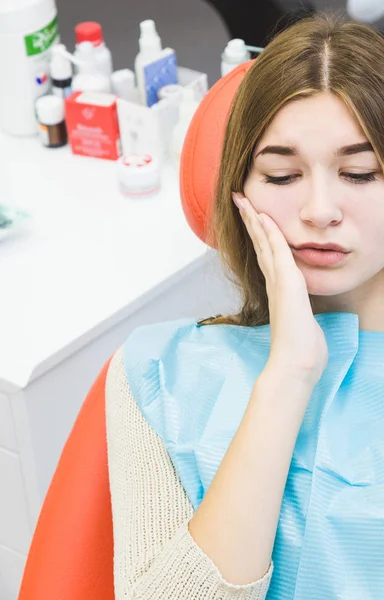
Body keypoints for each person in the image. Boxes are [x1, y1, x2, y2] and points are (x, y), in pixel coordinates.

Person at [106, 12, 384, 600]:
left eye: (359, 173)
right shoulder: (157, 372)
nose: (320, 209)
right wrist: (289, 374)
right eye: (282, 175)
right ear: (239, 190)